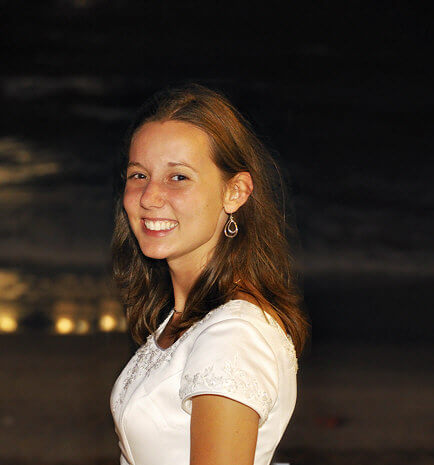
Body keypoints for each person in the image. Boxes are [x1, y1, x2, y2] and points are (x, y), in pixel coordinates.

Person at [109, 84, 310, 465]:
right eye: (138, 175)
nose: (150, 196)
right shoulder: (188, 317)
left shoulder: (233, 334)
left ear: (235, 192)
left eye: (178, 177)